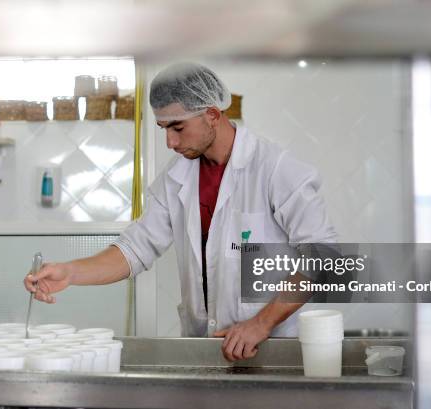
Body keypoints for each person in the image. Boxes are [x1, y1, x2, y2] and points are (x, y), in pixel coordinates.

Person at [24, 62, 337, 362]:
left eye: (178, 127)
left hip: (276, 353)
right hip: (208, 351)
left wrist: (260, 324)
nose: (170, 142)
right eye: (163, 128)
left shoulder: (274, 169)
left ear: (213, 114)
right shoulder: (176, 179)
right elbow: (135, 249)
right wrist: (71, 272)